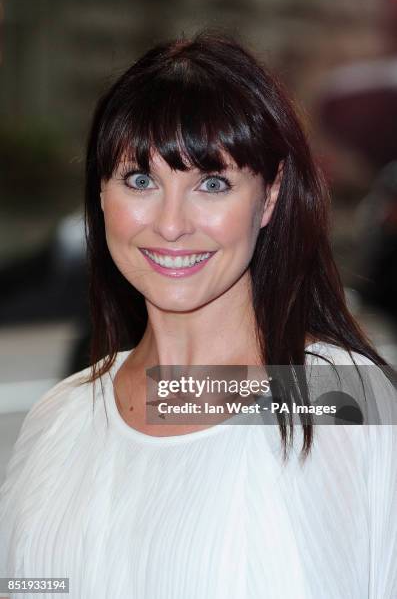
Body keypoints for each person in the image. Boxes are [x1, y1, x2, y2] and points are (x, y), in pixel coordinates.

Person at [0, 30, 396, 599]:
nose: (170, 223)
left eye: (212, 183)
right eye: (141, 180)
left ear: (270, 197)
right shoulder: (58, 420)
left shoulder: (343, 402)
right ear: (101, 195)